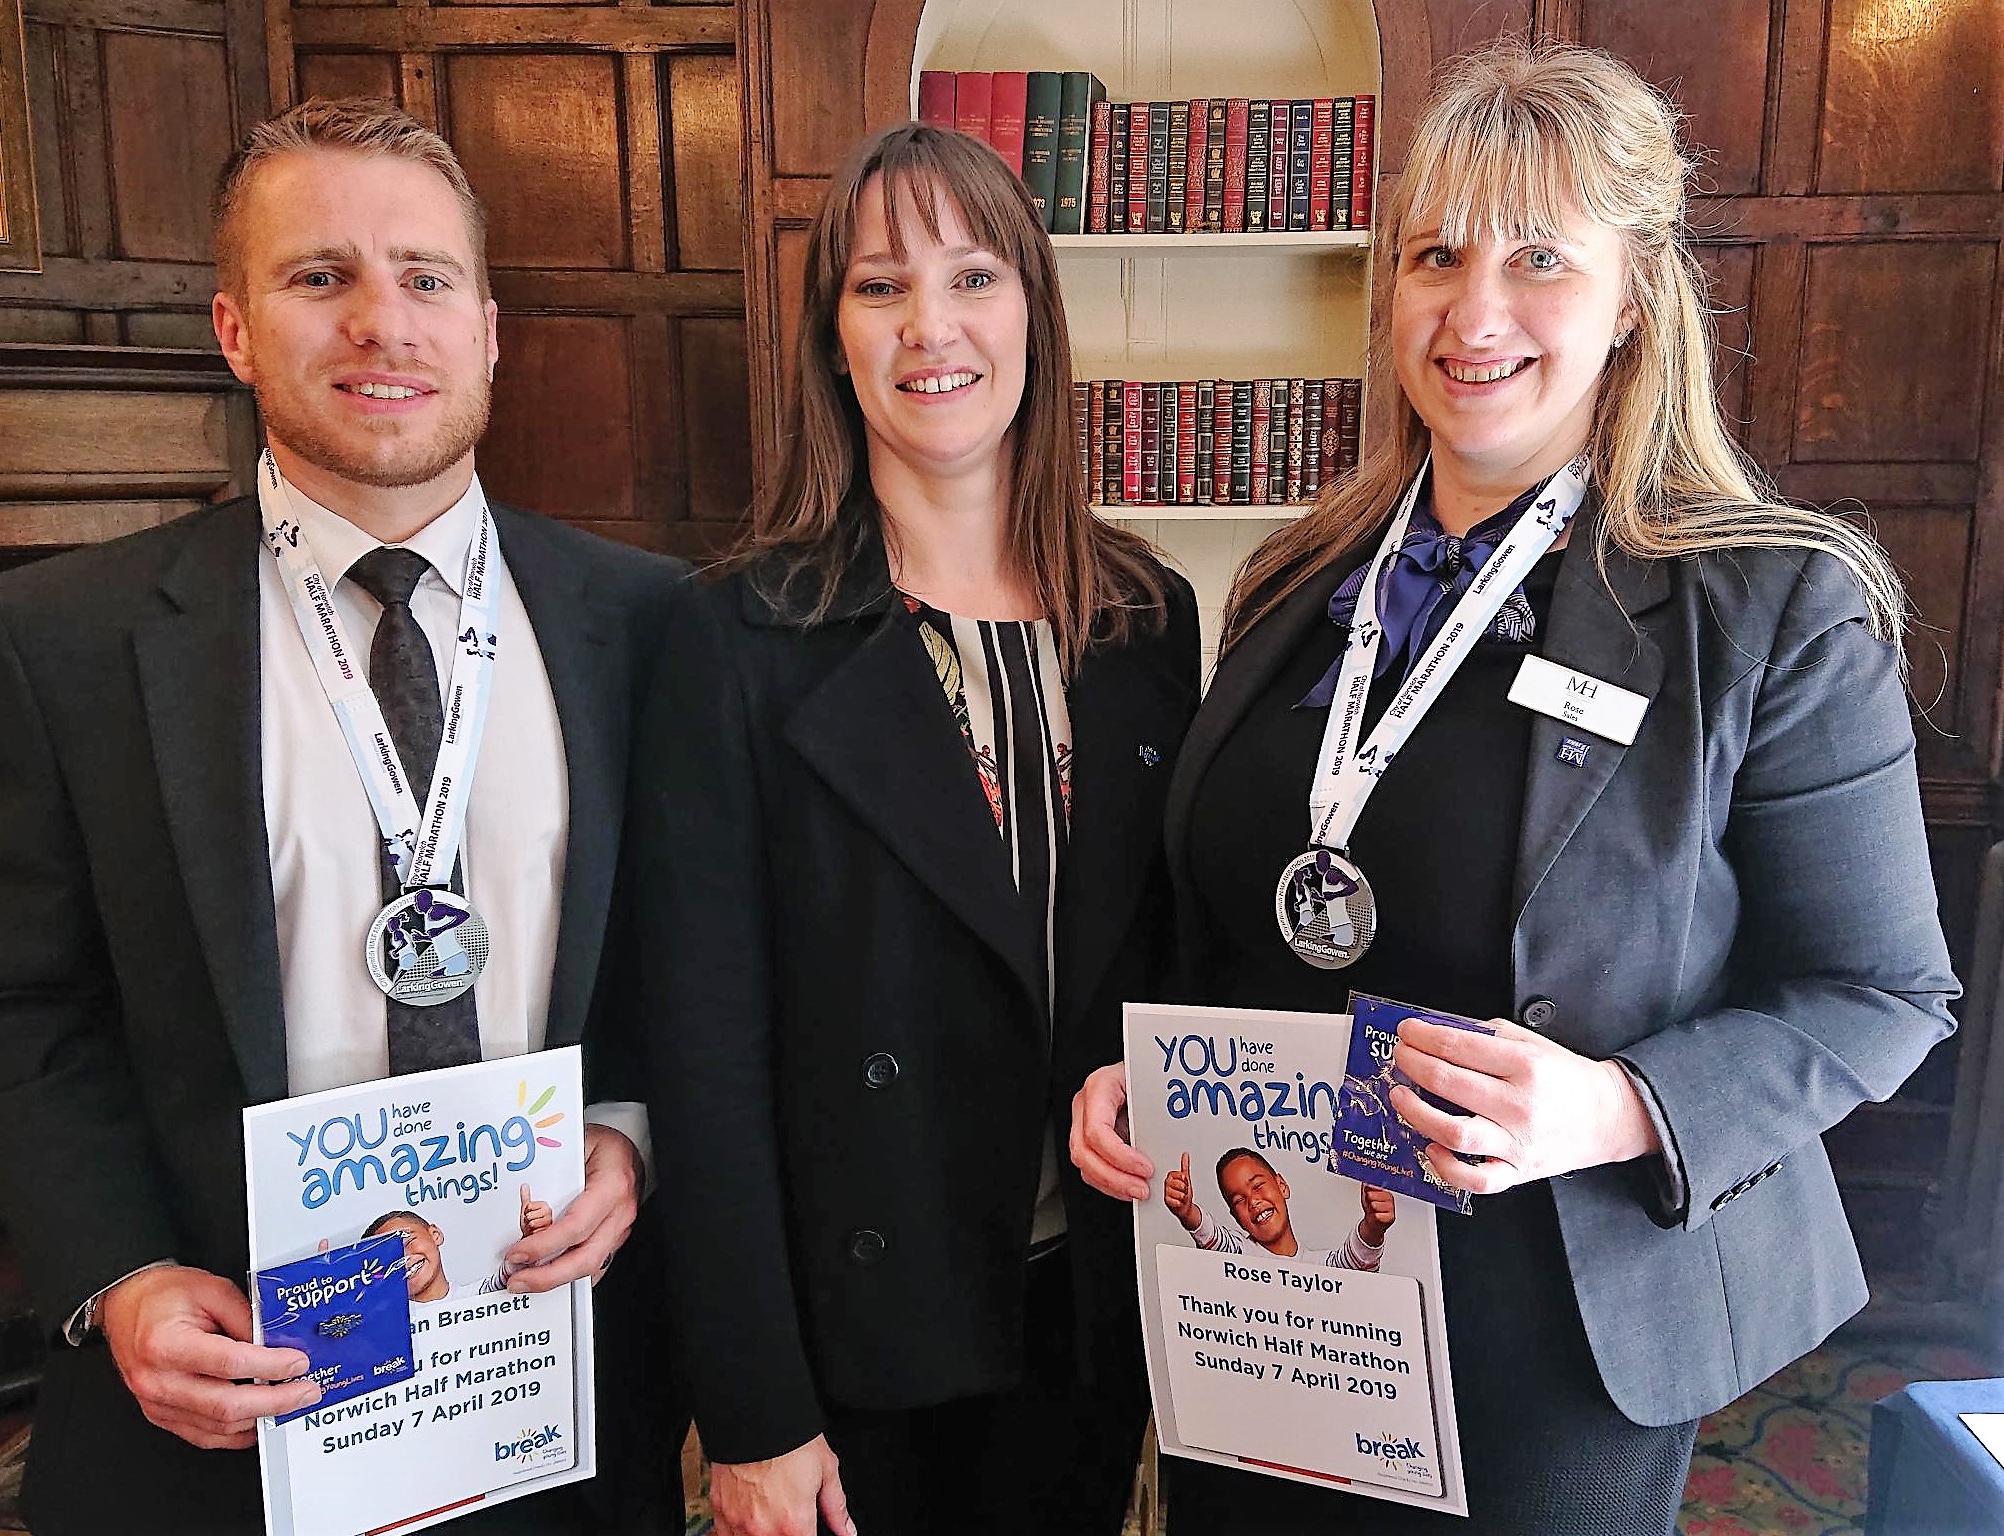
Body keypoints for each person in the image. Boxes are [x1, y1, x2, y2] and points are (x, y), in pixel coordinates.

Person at [1070, 42, 1957, 1535]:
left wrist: (1621, 1105)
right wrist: (1141, 1078)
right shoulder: (1296, 582)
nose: (1472, 312)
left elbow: (1881, 991)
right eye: (1435, 255)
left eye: (1537, 257)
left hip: (1550, 1323)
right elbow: (1228, 921)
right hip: (1279, 1290)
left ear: (1630, 299)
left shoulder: (1766, 607)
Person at [0, 98, 685, 1536]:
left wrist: (631, 1133)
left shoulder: (650, 624)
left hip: (549, 1385)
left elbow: (685, 960)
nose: (379, 323)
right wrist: (120, 1279)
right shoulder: (73, 641)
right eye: (317, 277)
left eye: (423, 278)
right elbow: (18, 1002)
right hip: (227, 1404)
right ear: (234, 330)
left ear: (486, 327)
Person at [633, 123, 1199, 1536]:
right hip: (854, 1340)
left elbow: (1156, 962)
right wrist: (754, 1410)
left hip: (1081, 1306)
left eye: (972, 277)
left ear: (1032, 314)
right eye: (880, 287)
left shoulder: (1142, 620)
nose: (929, 326)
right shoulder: (732, 638)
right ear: (833, 336)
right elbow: (701, 1061)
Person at [1163, 1149, 1392, 1268]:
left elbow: (1355, 1264)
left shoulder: (1321, 1266)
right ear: (1236, 1217)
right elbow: (1211, 1236)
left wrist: (1374, 1226)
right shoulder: (1239, 1255)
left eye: (1258, 1186)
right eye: (1239, 1201)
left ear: (1282, 1186)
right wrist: (1187, 1212)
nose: (1253, 1201)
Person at [363, 1195, 550, 1302]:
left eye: (408, 1241)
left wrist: (532, 1241)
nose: (403, 1258)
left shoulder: (474, 1297)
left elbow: (513, 1275)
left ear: (435, 1235)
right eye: (387, 1256)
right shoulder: (387, 1329)